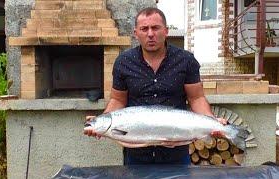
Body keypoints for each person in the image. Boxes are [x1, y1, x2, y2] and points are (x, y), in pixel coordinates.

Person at [84, 7, 226, 165]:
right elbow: (118, 100)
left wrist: (212, 122)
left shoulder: (186, 60)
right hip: (136, 153)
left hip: (176, 151)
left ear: (166, 31)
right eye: (144, 29)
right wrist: (102, 122)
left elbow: (197, 98)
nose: (150, 34)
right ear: (136, 33)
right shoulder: (123, 62)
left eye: (155, 28)